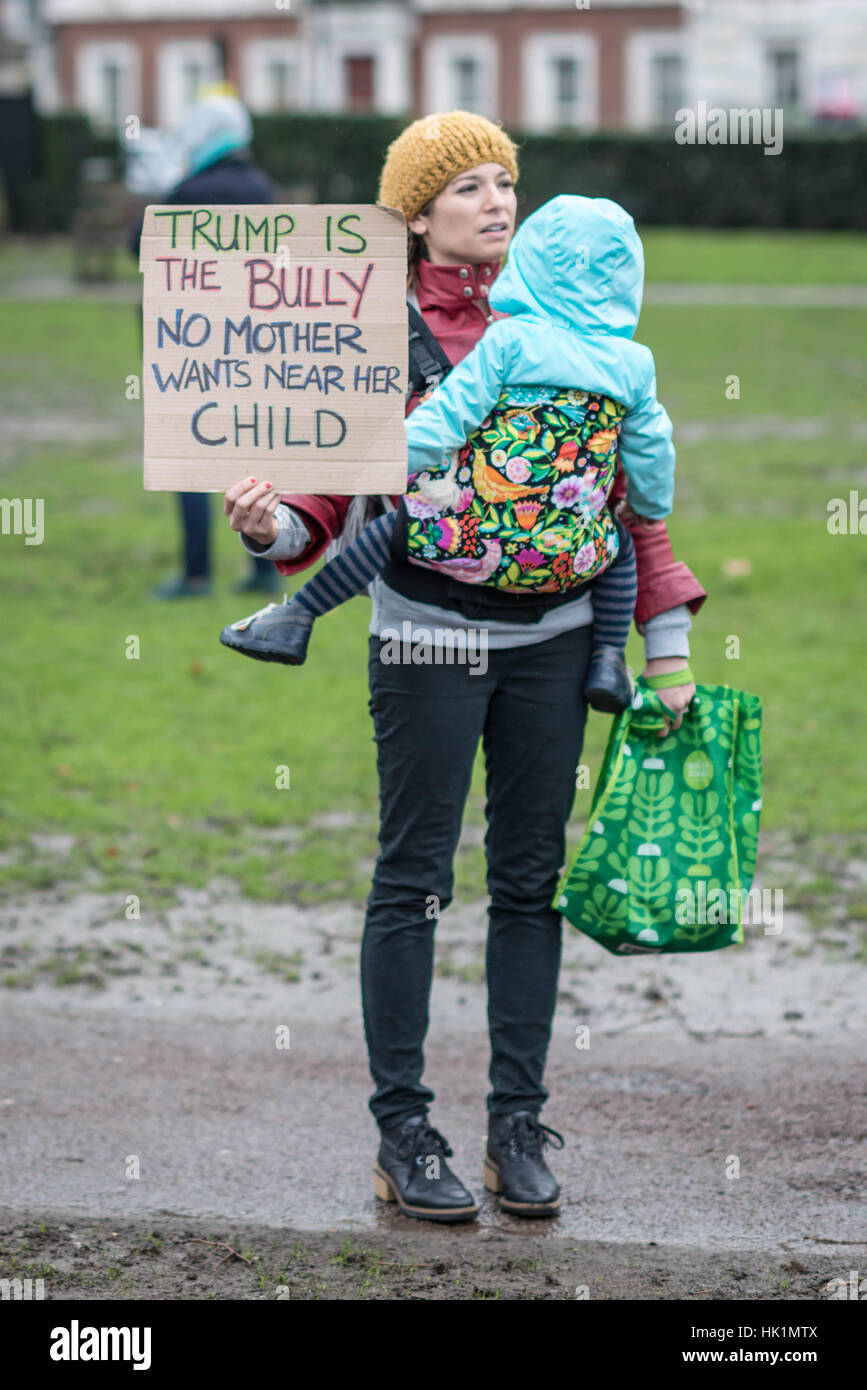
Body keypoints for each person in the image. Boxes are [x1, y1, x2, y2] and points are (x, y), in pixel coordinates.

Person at [223, 111, 707, 1221]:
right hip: (427, 638)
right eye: (471, 187)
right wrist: (269, 526)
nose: (499, 201)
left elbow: (626, 498)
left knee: (528, 886)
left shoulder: (574, 318)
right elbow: (324, 502)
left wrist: (664, 645)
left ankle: (515, 1125)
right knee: (415, 880)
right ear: (418, 216)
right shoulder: (372, 329)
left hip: (556, 644)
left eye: (507, 182)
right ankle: (406, 1132)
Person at [219, 193, 675, 716]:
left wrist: (380, 459)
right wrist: (651, 504)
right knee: (620, 543)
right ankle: (610, 662)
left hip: (471, 538)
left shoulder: (508, 343)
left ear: (527, 264)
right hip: (568, 554)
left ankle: (296, 618)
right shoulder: (634, 365)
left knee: (391, 532)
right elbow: (652, 450)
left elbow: (446, 420)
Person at [128, 89, 279, 600]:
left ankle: (196, 574)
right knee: (252, 456)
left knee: (189, 457)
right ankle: (263, 567)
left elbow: (138, 246)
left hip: (190, 347)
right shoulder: (261, 188)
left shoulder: (188, 191)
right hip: (254, 344)